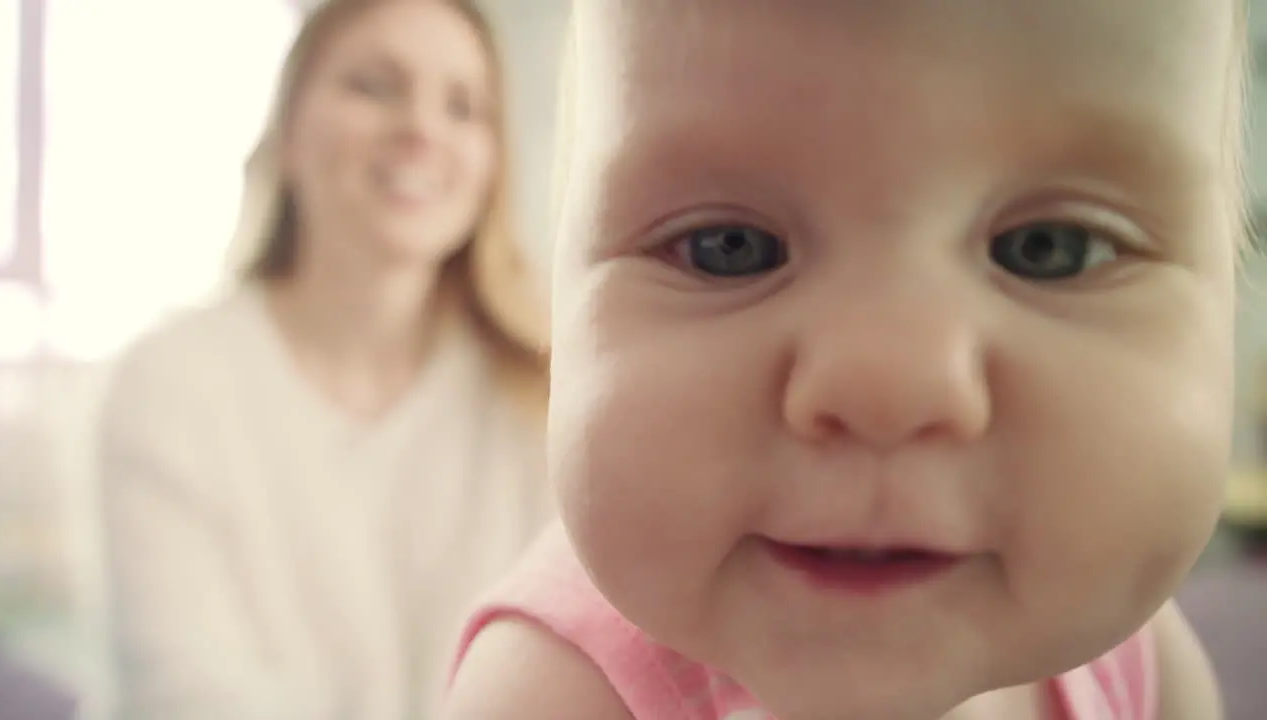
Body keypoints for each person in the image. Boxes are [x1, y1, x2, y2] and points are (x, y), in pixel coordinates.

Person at [444, 1, 1245, 718]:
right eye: (729, 249)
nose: (884, 388)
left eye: (1052, 250)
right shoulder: (552, 696)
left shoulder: (1141, 662)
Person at [97, 1, 549, 718]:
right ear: (288, 131)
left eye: (464, 107)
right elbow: (185, 690)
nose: (422, 130)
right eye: (374, 86)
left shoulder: (545, 403)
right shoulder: (171, 384)